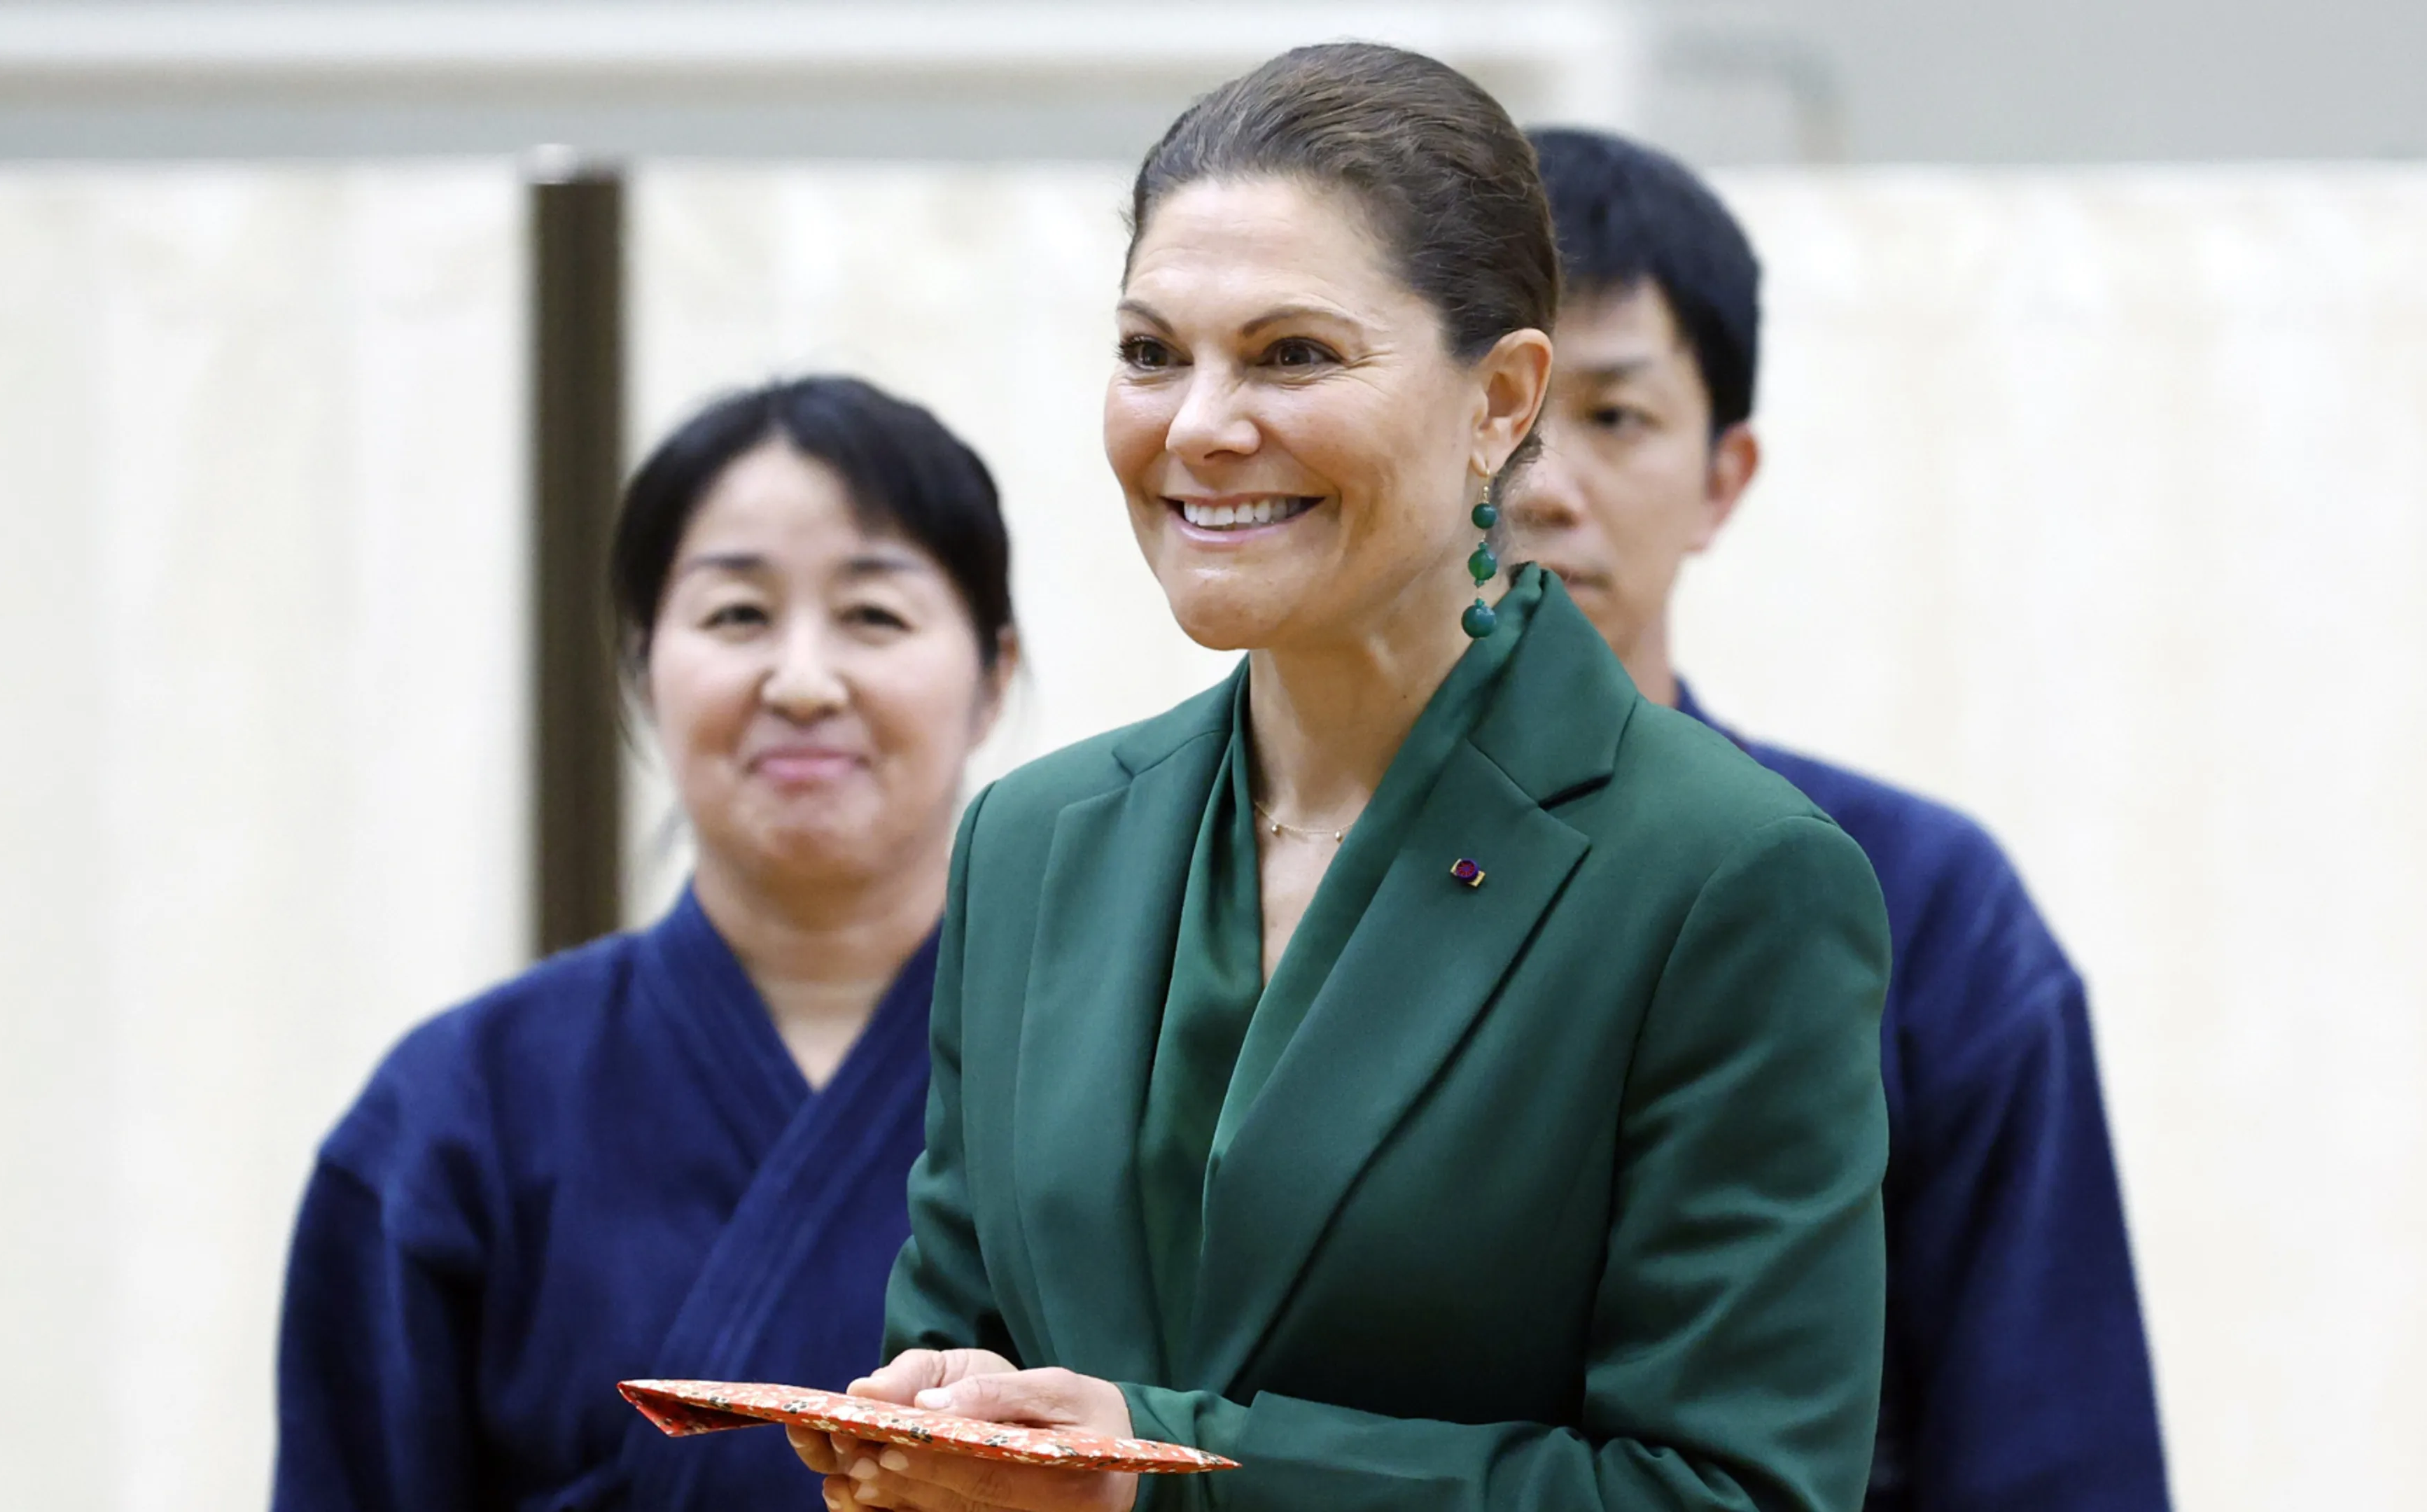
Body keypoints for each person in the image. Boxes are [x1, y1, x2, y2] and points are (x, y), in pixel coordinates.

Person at [793, 43, 1892, 1512]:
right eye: (1150, 353)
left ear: (1501, 400)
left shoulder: (1722, 876)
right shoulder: (1035, 844)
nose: (1199, 425)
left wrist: (1162, 1481)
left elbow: (1732, 1493)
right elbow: (966, 1338)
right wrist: (933, 1434)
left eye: (1293, 354)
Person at [1504, 126, 2172, 1511]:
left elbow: (2057, 1460)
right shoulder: (1237, 867)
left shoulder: (1922, 899)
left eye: (1617, 417)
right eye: (1499, 416)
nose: (1546, 488)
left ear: (1723, 479)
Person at [271, 375, 1021, 1512]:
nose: (803, 681)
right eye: (737, 616)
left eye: (874, 616)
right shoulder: (454, 1111)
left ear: (992, 675)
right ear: (641, 668)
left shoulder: (1118, 1084)